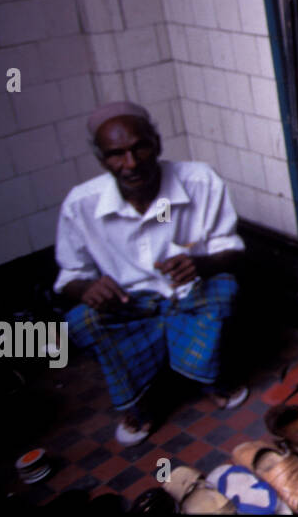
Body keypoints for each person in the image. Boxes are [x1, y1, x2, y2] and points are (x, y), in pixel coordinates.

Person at [55, 102, 248, 445]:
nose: (131, 163)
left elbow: (230, 249)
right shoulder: (81, 204)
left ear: (156, 144)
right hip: (130, 306)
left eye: (139, 147)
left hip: (190, 295)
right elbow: (69, 277)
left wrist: (202, 264)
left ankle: (206, 375)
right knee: (81, 320)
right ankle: (140, 399)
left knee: (225, 289)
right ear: (101, 160)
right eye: (116, 154)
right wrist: (88, 288)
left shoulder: (200, 180)